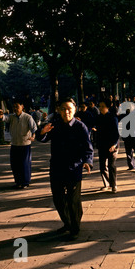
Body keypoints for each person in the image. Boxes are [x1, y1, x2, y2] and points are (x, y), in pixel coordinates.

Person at [36, 97, 94, 240]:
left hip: (74, 168)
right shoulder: (55, 124)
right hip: (57, 167)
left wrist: (87, 161)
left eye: (69, 109)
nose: (66, 112)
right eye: (63, 109)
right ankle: (67, 222)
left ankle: (75, 227)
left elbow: (88, 148)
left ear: (74, 110)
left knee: (73, 200)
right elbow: (42, 138)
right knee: (58, 198)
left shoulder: (80, 127)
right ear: (58, 110)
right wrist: (42, 132)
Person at [0, 100, 38, 189]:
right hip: (14, 144)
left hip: (25, 144)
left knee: (24, 164)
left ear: (22, 106)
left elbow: (34, 128)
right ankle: (18, 181)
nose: (15, 108)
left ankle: (25, 182)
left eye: (17, 106)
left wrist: (33, 136)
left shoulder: (27, 117)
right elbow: (4, 118)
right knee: (15, 164)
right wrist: (0, 114)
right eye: (14, 107)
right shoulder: (12, 117)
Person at [96, 99, 120, 193]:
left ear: (107, 107)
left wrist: (114, 144)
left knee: (111, 165)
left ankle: (114, 185)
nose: (100, 108)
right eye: (100, 106)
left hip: (112, 145)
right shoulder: (99, 117)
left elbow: (116, 133)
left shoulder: (113, 118)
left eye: (102, 106)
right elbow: (90, 122)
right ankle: (107, 183)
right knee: (102, 166)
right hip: (102, 145)